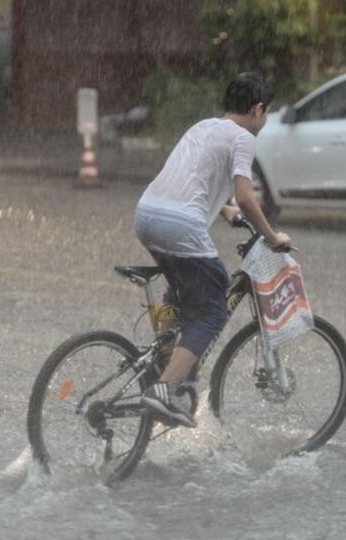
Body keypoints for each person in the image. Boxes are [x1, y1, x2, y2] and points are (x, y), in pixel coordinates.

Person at [135, 72, 291, 427]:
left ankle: (166, 357)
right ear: (258, 109)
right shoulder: (243, 137)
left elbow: (190, 176)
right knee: (214, 307)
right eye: (265, 116)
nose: (263, 122)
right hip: (180, 225)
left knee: (185, 286)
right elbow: (247, 194)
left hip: (146, 214)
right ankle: (163, 388)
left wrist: (224, 209)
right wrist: (270, 235)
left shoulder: (202, 127)